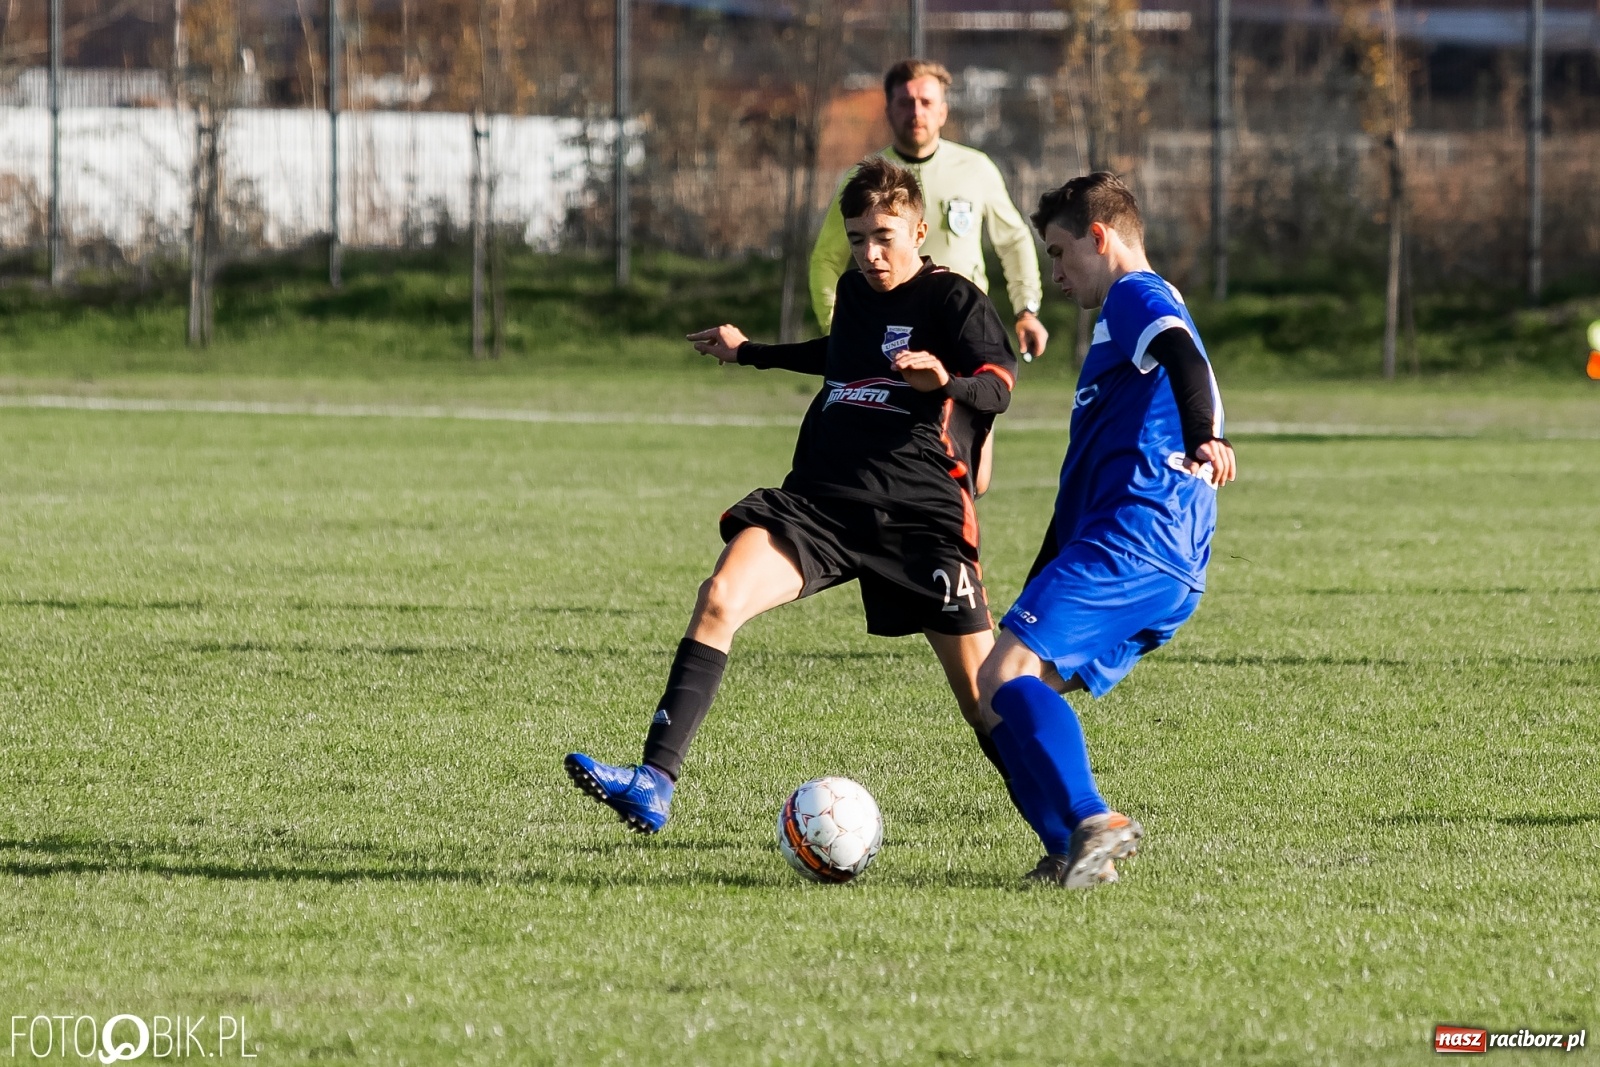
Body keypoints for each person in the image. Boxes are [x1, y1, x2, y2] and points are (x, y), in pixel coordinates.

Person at [564, 157, 1018, 835]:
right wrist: (751, 352)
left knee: (986, 700)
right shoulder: (856, 292)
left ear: (920, 229)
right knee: (719, 597)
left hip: (917, 514)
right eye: (858, 236)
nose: (870, 252)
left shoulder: (952, 299)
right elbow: (839, 355)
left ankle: (1071, 823)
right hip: (819, 503)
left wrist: (942, 380)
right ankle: (654, 780)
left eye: (885, 236)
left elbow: (998, 386)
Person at [973, 172, 1238, 888]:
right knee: (1008, 695)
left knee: (1002, 677)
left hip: (1137, 537)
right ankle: (1071, 851)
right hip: (1159, 555)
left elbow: (1183, 351)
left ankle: (1096, 821)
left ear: (1101, 236)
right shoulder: (1118, 332)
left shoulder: (1132, 294)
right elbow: (1081, 484)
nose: (1055, 274)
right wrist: (1037, 577)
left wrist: (1205, 433)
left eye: (1059, 254)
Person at [810, 59, 1048, 495]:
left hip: (962, 340)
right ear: (888, 110)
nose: (915, 112)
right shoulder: (864, 179)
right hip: (889, 339)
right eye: (905, 102)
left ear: (942, 111)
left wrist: (1026, 308)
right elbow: (826, 259)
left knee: (973, 479)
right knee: (889, 462)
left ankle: (950, 549)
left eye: (926, 102)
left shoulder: (975, 169)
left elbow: (1013, 241)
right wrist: (840, 328)